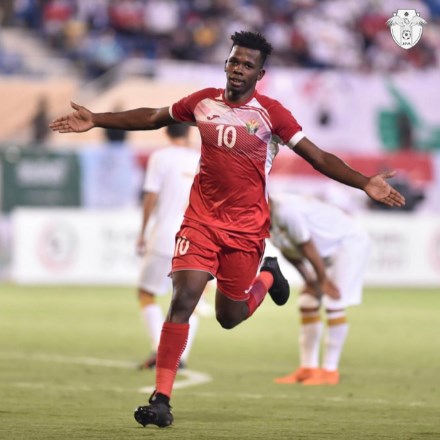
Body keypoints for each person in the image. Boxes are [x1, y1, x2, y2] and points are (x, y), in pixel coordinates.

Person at [49, 30, 405, 428]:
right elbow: (152, 117)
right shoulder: (203, 102)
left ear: (260, 74)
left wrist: (363, 182)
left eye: (247, 65)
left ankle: (267, 276)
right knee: (183, 298)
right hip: (200, 222)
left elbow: (318, 157)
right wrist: (96, 119)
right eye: (234, 60)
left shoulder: (272, 114)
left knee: (229, 317)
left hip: (246, 231)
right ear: (226, 63)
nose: (238, 69)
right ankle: (161, 399)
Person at [269, 193, 371, 385]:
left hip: (347, 242)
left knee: (333, 300)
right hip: (324, 250)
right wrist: (309, 280)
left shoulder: (286, 211)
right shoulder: (261, 216)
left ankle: (330, 371)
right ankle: (308, 368)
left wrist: (322, 280)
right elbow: (287, 250)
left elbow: (307, 245)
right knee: (307, 301)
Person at [136, 124, 208, 370]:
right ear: (189, 133)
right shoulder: (200, 159)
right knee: (191, 299)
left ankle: (160, 348)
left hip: (164, 236)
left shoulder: (160, 157)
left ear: (166, 132)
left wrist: (143, 231)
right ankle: (180, 356)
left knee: (146, 293)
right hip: (193, 239)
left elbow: (151, 195)